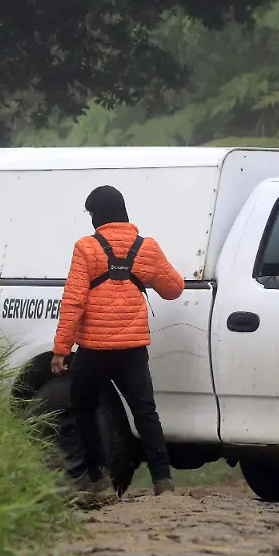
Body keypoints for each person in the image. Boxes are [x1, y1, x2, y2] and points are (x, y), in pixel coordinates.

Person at [52, 186, 185, 499]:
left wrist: (61, 349)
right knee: (145, 412)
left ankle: (99, 481)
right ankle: (163, 481)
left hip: (93, 350)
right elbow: (174, 288)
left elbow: (73, 301)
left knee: (84, 408)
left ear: (98, 214)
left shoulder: (86, 248)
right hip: (132, 350)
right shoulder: (147, 248)